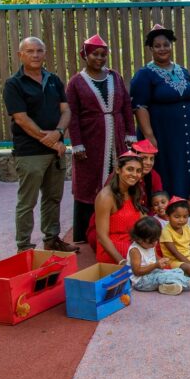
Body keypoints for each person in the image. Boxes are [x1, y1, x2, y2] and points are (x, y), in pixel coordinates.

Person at [3, 36, 76, 253]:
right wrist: (53, 142)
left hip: (56, 152)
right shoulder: (13, 84)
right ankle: (24, 247)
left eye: (39, 51)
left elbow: (66, 110)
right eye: (30, 51)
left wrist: (60, 132)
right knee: (28, 202)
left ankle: (52, 239)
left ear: (45, 53)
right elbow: (21, 119)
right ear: (20, 55)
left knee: (53, 198)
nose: (35, 55)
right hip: (30, 153)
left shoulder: (54, 80)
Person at [66, 34, 135, 244]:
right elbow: (72, 114)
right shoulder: (76, 82)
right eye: (95, 54)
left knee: (119, 177)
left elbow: (126, 107)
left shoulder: (115, 77)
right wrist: (76, 143)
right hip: (91, 138)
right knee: (88, 181)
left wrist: (130, 133)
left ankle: (119, 225)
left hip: (116, 137)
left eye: (103, 54)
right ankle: (86, 232)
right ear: (85, 55)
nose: (99, 58)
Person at [130, 24, 190, 198]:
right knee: (169, 168)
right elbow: (139, 107)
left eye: (166, 44)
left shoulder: (183, 71)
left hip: (188, 134)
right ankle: (172, 209)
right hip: (163, 136)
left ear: (171, 46)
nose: (162, 49)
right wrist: (149, 136)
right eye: (157, 46)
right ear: (150, 48)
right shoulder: (144, 75)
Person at [126, 217, 190, 295]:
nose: (155, 244)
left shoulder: (150, 245)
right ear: (139, 239)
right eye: (151, 242)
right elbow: (137, 272)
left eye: (156, 240)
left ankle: (167, 287)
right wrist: (155, 265)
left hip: (152, 273)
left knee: (178, 271)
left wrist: (162, 262)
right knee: (166, 276)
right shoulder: (135, 250)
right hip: (141, 281)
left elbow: (155, 258)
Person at [91, 152, 145, 264]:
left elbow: (142, 221)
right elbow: (102, 237)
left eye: (138, 171)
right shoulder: (105, 197)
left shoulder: (134, 191)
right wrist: (121, 261)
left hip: (132, 243)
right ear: (118, 170)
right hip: (113, 249)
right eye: (130, 169)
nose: (135, 174)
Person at [131, 138, 162, 206]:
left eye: (151, 159)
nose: (149, 163)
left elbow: (157, 203)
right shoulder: (124, 175)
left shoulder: (154, 176)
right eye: (144, 158)